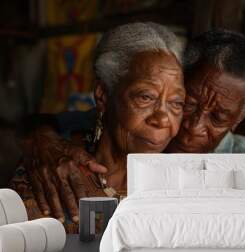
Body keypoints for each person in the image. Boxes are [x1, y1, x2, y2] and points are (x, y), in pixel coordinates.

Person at [10, 22, 186, 231]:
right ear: (102, 96)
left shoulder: (182, 186)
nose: (163, 119)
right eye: (145, 97)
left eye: (176, 103)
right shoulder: (54, 171)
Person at [165, 29, 245, 154]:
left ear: (238, 120)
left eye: (217, 118)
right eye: (187, 105)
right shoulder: (140, 140)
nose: (194, 128)